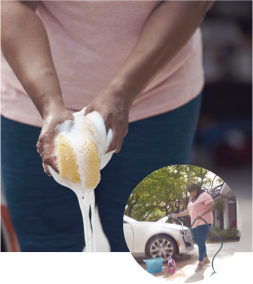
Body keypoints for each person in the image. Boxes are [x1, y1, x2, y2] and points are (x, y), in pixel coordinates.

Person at [0, 0, 216, 252]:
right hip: (32, 96)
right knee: (47, 243)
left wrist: (124, 91)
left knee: (147, 246)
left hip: (156, 94)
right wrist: (48, 103)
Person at [172, 184, 215, 271]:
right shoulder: (192, 201)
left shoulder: (204, 195)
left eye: (192, 192)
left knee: (201, 241)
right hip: (195, 223)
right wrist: (177, 215)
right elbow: (188, 211)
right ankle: (206, 259)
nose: (190, 194)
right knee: (199, 242)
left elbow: (212, 205)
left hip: (204, 221)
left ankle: (200, 262)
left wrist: (202, 213)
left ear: (196, 190)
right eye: (189, 192)